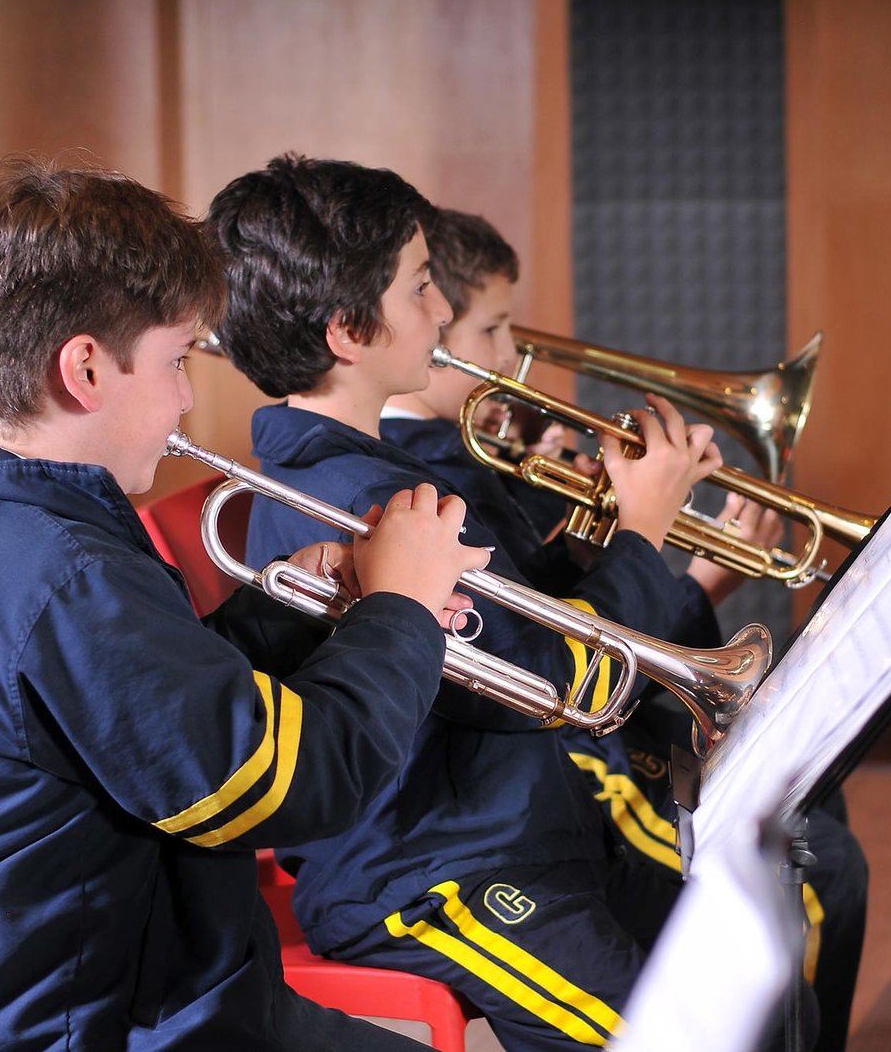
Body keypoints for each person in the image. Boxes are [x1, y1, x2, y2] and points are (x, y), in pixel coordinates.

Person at [0, 155, 491, 1051]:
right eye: (176, 360)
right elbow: (298, 785)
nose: (189, 397)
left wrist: (299, 606)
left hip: (151, 990)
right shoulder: (62, 570)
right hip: (86, 1025)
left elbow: (156, 707)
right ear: (84, 370)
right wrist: (400, 613)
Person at [205, 153, 812, 1052]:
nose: (442, 309)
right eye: (419, 288)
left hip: (513, 832)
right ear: (348, 331)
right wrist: (642, 533)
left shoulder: (382, 470)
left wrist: (586, 539)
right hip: (428, 878)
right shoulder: (356, 500)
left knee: (758, 961)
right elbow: (560, 681)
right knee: (678, 1038)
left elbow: (522, 628)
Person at [385, 206, 870, 1052]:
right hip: (507, 807)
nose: (512, 357)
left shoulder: (469, 462)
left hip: (547, 775)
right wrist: (640, 533)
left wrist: (674, 561)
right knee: (812, 871)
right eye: (494, 329)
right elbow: (552, 668)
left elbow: (565, 621)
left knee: (813, 809)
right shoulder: (420, 485)